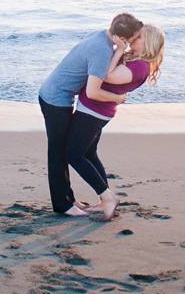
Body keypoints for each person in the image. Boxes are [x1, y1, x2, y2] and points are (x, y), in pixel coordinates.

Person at [38, 13, 144, 216]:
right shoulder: (101, 51)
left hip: (55, 93)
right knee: (58, 153)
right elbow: (93, 92)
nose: (131, 44)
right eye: (131, 40)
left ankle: (68, 198)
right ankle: (63, 205)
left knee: (64, 151)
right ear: (122, 39)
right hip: (56, 99)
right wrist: (118, 99)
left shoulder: (101, 37)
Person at [65, 24, 166, 221]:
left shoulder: (140, 66)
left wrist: (119, 49)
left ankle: (107, 197)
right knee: (88, 153)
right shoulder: (134, 58)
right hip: (95, 108)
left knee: (73, 154)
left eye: (139, 37)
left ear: (149, 44)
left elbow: (107, 75)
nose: (134, 37)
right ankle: (105, 199)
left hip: (94, 111)